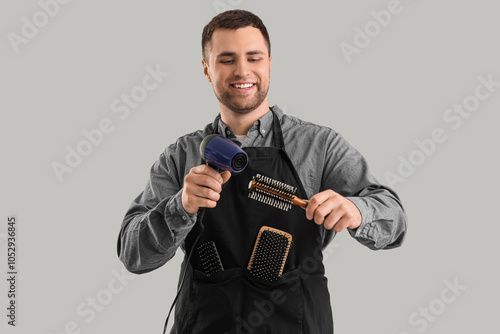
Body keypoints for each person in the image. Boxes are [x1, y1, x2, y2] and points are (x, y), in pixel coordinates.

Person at [117, 9, 407, 334]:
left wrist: (357, 210)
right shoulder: (179, 156)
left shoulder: (319, 146)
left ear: (269, 62)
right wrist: (179, 207)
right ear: (206, 69)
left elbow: (393, 220)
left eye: (254, 58)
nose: (242, 70)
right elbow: (133, 256)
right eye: (226, 59)